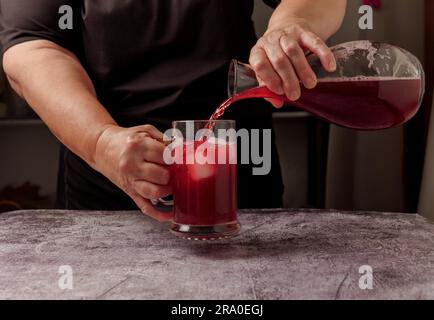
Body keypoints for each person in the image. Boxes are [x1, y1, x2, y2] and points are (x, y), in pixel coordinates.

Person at [0, 0, 346, 221]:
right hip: (109, 182)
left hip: (240, 172)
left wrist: (292, 22)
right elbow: (32, 45)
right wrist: (100, 141)